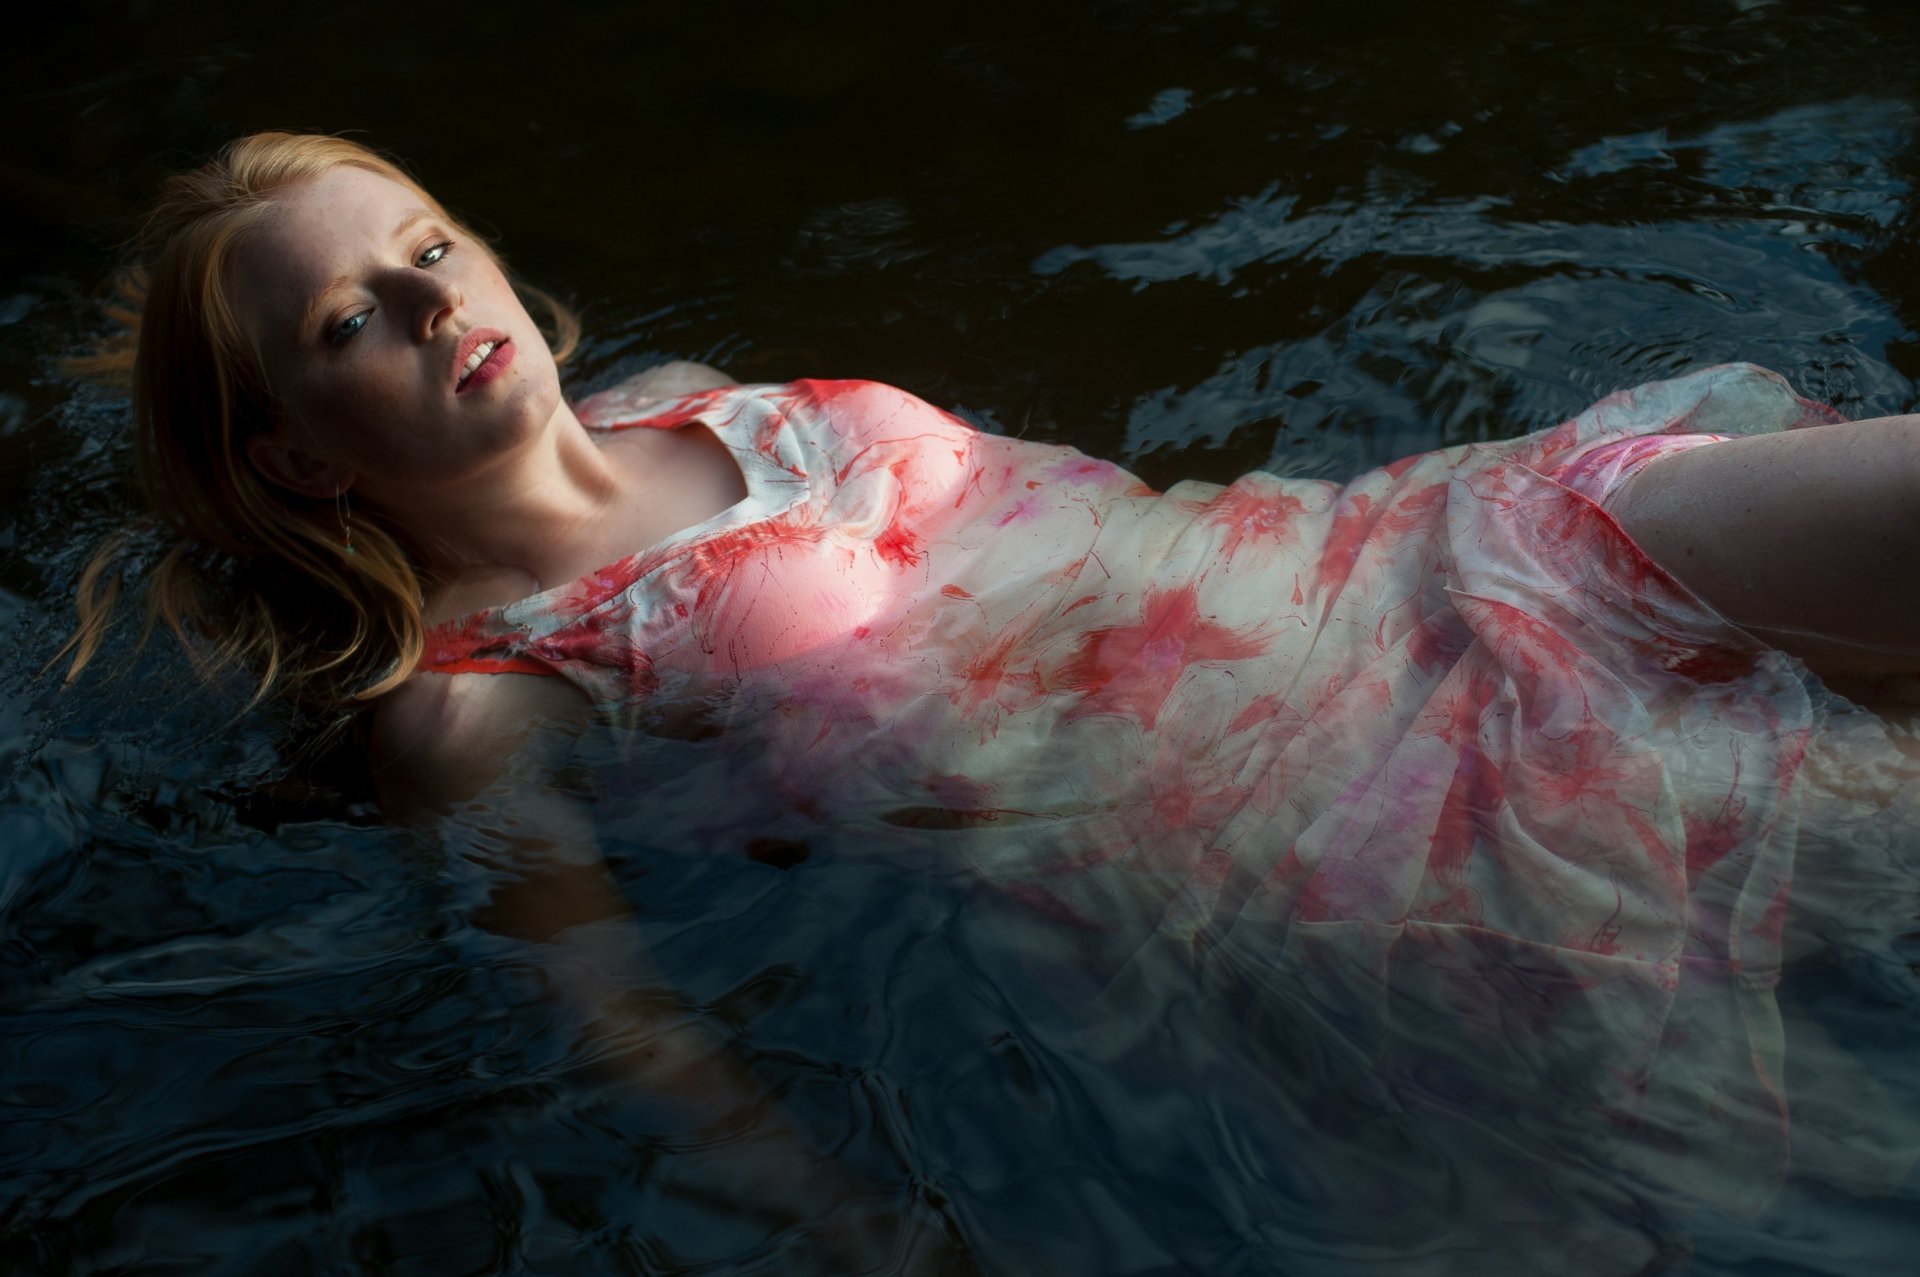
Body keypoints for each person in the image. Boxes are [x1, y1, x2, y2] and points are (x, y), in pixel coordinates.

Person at [64, 132, 1920, 1270]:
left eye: (423, 245)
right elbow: (629, 1040)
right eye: (345, 323)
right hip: (1329, 814)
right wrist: (878, 1241)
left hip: (1407, 553)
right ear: (296, 459)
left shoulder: (683, 387)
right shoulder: (475, 706)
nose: (426, 301)